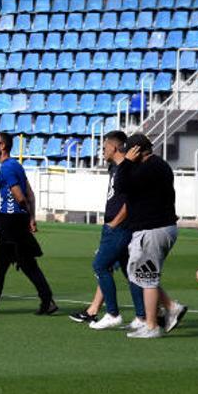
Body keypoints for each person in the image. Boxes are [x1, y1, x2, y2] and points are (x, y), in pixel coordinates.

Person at [0, 132, 58, 315]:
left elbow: (20, 196)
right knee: (25, 264)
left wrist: (25, 215)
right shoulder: (17, 165)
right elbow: (30, 194)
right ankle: (47, 300)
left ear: (3, 146)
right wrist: (31, 218)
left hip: (9, 221)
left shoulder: (7, 169)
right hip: (18, 221)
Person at [68, 131, 146, 330]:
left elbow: (130, 202)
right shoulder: (115, 167)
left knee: (100, 266)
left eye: (104, 147)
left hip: (119, 227)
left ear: (113, 147)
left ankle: (112, 313)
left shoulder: (128, 170)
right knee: (131, 273)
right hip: (113, 226)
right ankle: (142, 317)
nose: (101, 151)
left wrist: (115, 223)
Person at [116, 134, 187, 339]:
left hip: (153, 229)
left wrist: (127, 162)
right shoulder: (156, 165)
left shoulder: (149, 168)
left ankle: (152, 325)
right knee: (139, 274)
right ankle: (170, 307)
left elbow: (121, 186)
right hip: (156, 228)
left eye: (128, 151)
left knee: (147, 277)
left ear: (136, 151)